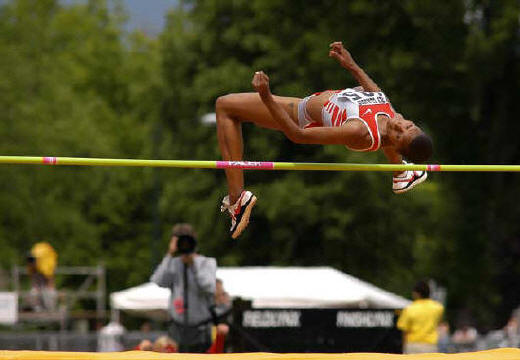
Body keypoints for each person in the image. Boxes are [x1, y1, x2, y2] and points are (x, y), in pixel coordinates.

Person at [216, 41, 433, 238]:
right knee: (233, 109)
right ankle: (401, 172)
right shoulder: (392, 117)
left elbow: (298, 136)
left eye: (399, 133)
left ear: (394, 142)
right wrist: (352, 66)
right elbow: (375, 93)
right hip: (307, 102)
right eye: (408, 126)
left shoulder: (360, 131)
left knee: (225, 106)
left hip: (299, 115)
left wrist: (266, 96)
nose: (400, 124)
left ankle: (237, 200)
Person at [150, 223, 217, 353]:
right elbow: (159, 281)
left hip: (201, 329)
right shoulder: (173, 264)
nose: (184, 244)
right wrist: (170, 254)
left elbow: (208, 287)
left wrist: (193, 264)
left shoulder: (207, 262)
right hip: (177, 328)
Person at [397, 280, 444, 354]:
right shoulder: (438, 308)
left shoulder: (409, 309)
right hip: (430, 345)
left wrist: (404, 347)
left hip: (413, 344)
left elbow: (404, 330)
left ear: (416, 293)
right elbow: (438, 323)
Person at [26, 242, 58, 311]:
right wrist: (35, 289)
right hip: (39, 284)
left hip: (46, 285)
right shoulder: (31, 266)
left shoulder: (45, 266)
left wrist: (46, 290)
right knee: (33, 294)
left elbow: (49, 280)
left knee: (47, 294)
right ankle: (37, 309)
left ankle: (50, 309)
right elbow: (33, 280)